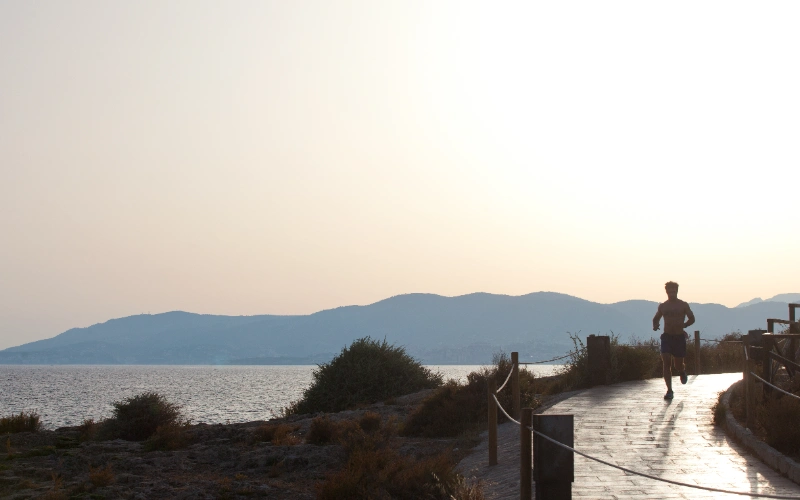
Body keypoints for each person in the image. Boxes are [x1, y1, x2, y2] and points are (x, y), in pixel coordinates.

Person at [652, 281, 695, 400]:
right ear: (666, 292)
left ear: (677, 291)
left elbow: (692, 318)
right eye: (669, 291)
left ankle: (682, 371)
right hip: (667, 337)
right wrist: (655, 326)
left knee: (678, 364)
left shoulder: (683, 305)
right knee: (666, 362)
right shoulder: (663, 306)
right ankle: (669, 390)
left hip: (679, 337)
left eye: (674, 291)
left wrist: (685, 325)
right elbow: (655, 318)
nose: (672, 293)